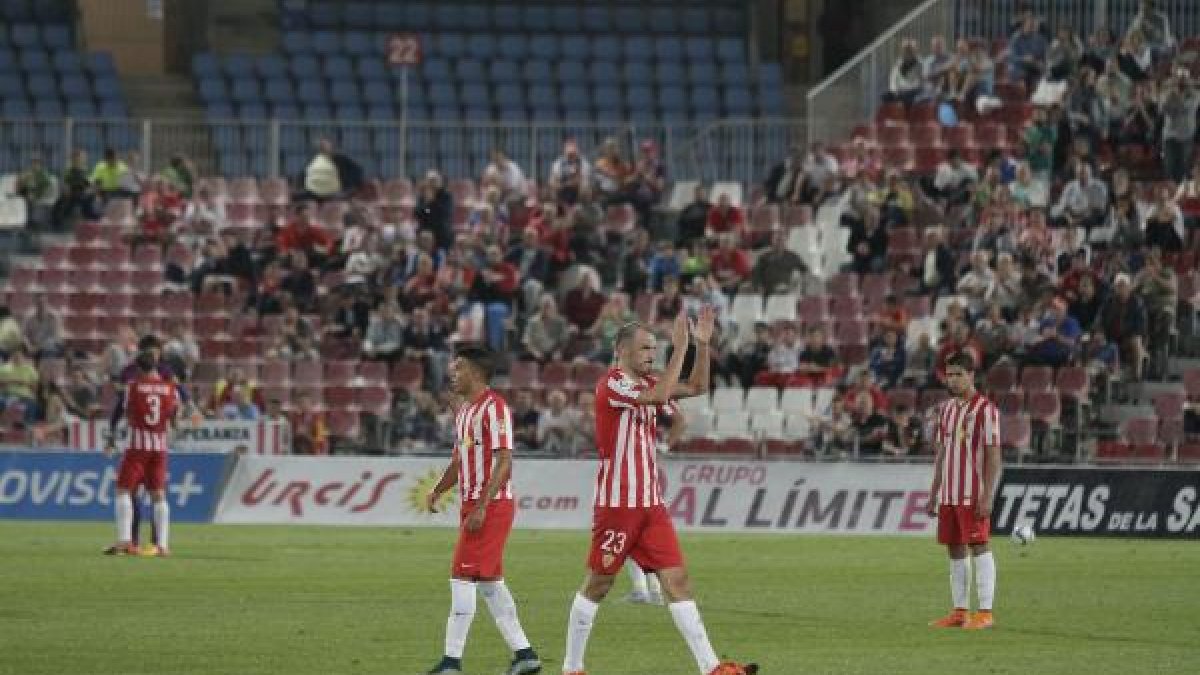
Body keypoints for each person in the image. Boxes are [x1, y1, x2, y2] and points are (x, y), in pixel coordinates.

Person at [561, 308, 756, 675]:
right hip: (618, 504)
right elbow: (662, 392)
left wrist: (700, 345)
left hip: (651, 505)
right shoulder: (613, 384)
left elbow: (697, 387)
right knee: (598, 584)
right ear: (621, 351)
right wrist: (679, 350)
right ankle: (572, 668)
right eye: (646, 348)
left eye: (655, 348)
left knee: (677, 580)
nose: (652, 354)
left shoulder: (647, 383)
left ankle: (712, 668)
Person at [423, 344, 542, 675]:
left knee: (461, 576)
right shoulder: (463, 412)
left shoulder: (495, 408)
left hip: (491, 505)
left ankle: (451, 662)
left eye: (458, 368)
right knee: (490, 582)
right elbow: (459, 462)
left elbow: (505, 461)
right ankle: (525, 655)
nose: (452, 373)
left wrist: (482, 506)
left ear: (475, 372)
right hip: (473, 505)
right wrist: (438, 490)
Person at [926, 352, 1002, 631]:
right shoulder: (946, 409)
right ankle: (959, 611)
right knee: (954, 549)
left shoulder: (986, 410)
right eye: (950, 374)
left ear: (971, 375)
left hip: (973, 491)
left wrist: (988, 494)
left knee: (979, 546)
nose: (953, 380)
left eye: (959, 374)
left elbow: (994, 455)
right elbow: (942, 453)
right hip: (949, 492)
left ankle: (985, 612)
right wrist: (934, 492)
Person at [102, 341, 180, 557]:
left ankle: (125, 541)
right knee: (159, 495)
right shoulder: (171, 388)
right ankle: (163, 546)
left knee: (123, 490)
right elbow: (175, 419)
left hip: (138, 446)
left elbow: (127, 413)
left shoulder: (133, 387)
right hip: (160, 446)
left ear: (138, 367)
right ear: (156, 364)